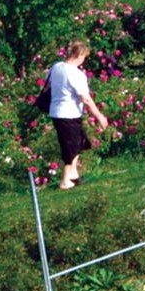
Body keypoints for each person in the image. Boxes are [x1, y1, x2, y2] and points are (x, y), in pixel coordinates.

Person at [48, 41, 109, 189]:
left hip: (57, 111)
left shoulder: (56, 67)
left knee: (80, 141)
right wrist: (100, 116)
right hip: (68, 113)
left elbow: (50, 85)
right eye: (84, 57)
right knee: (71, 147)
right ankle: (65, 181)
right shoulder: (75, 73)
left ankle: (73, 175)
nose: (84, 60)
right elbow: (85, 98)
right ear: (79, 55)